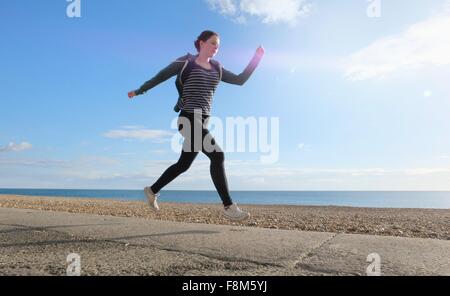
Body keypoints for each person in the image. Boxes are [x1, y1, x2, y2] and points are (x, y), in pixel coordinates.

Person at [128, 30, 265, 221]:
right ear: (201, 43)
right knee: (217, 155)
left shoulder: (217, 68)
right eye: (212, 43)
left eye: (218, 45)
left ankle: (152, 190)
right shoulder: (186, 62)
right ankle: (228, 206)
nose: (216, 48)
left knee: (183, 164)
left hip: (203, 121)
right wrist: (139, 90)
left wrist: (256, 58)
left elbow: (240, 80)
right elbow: (161, 76)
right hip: (188, 119)